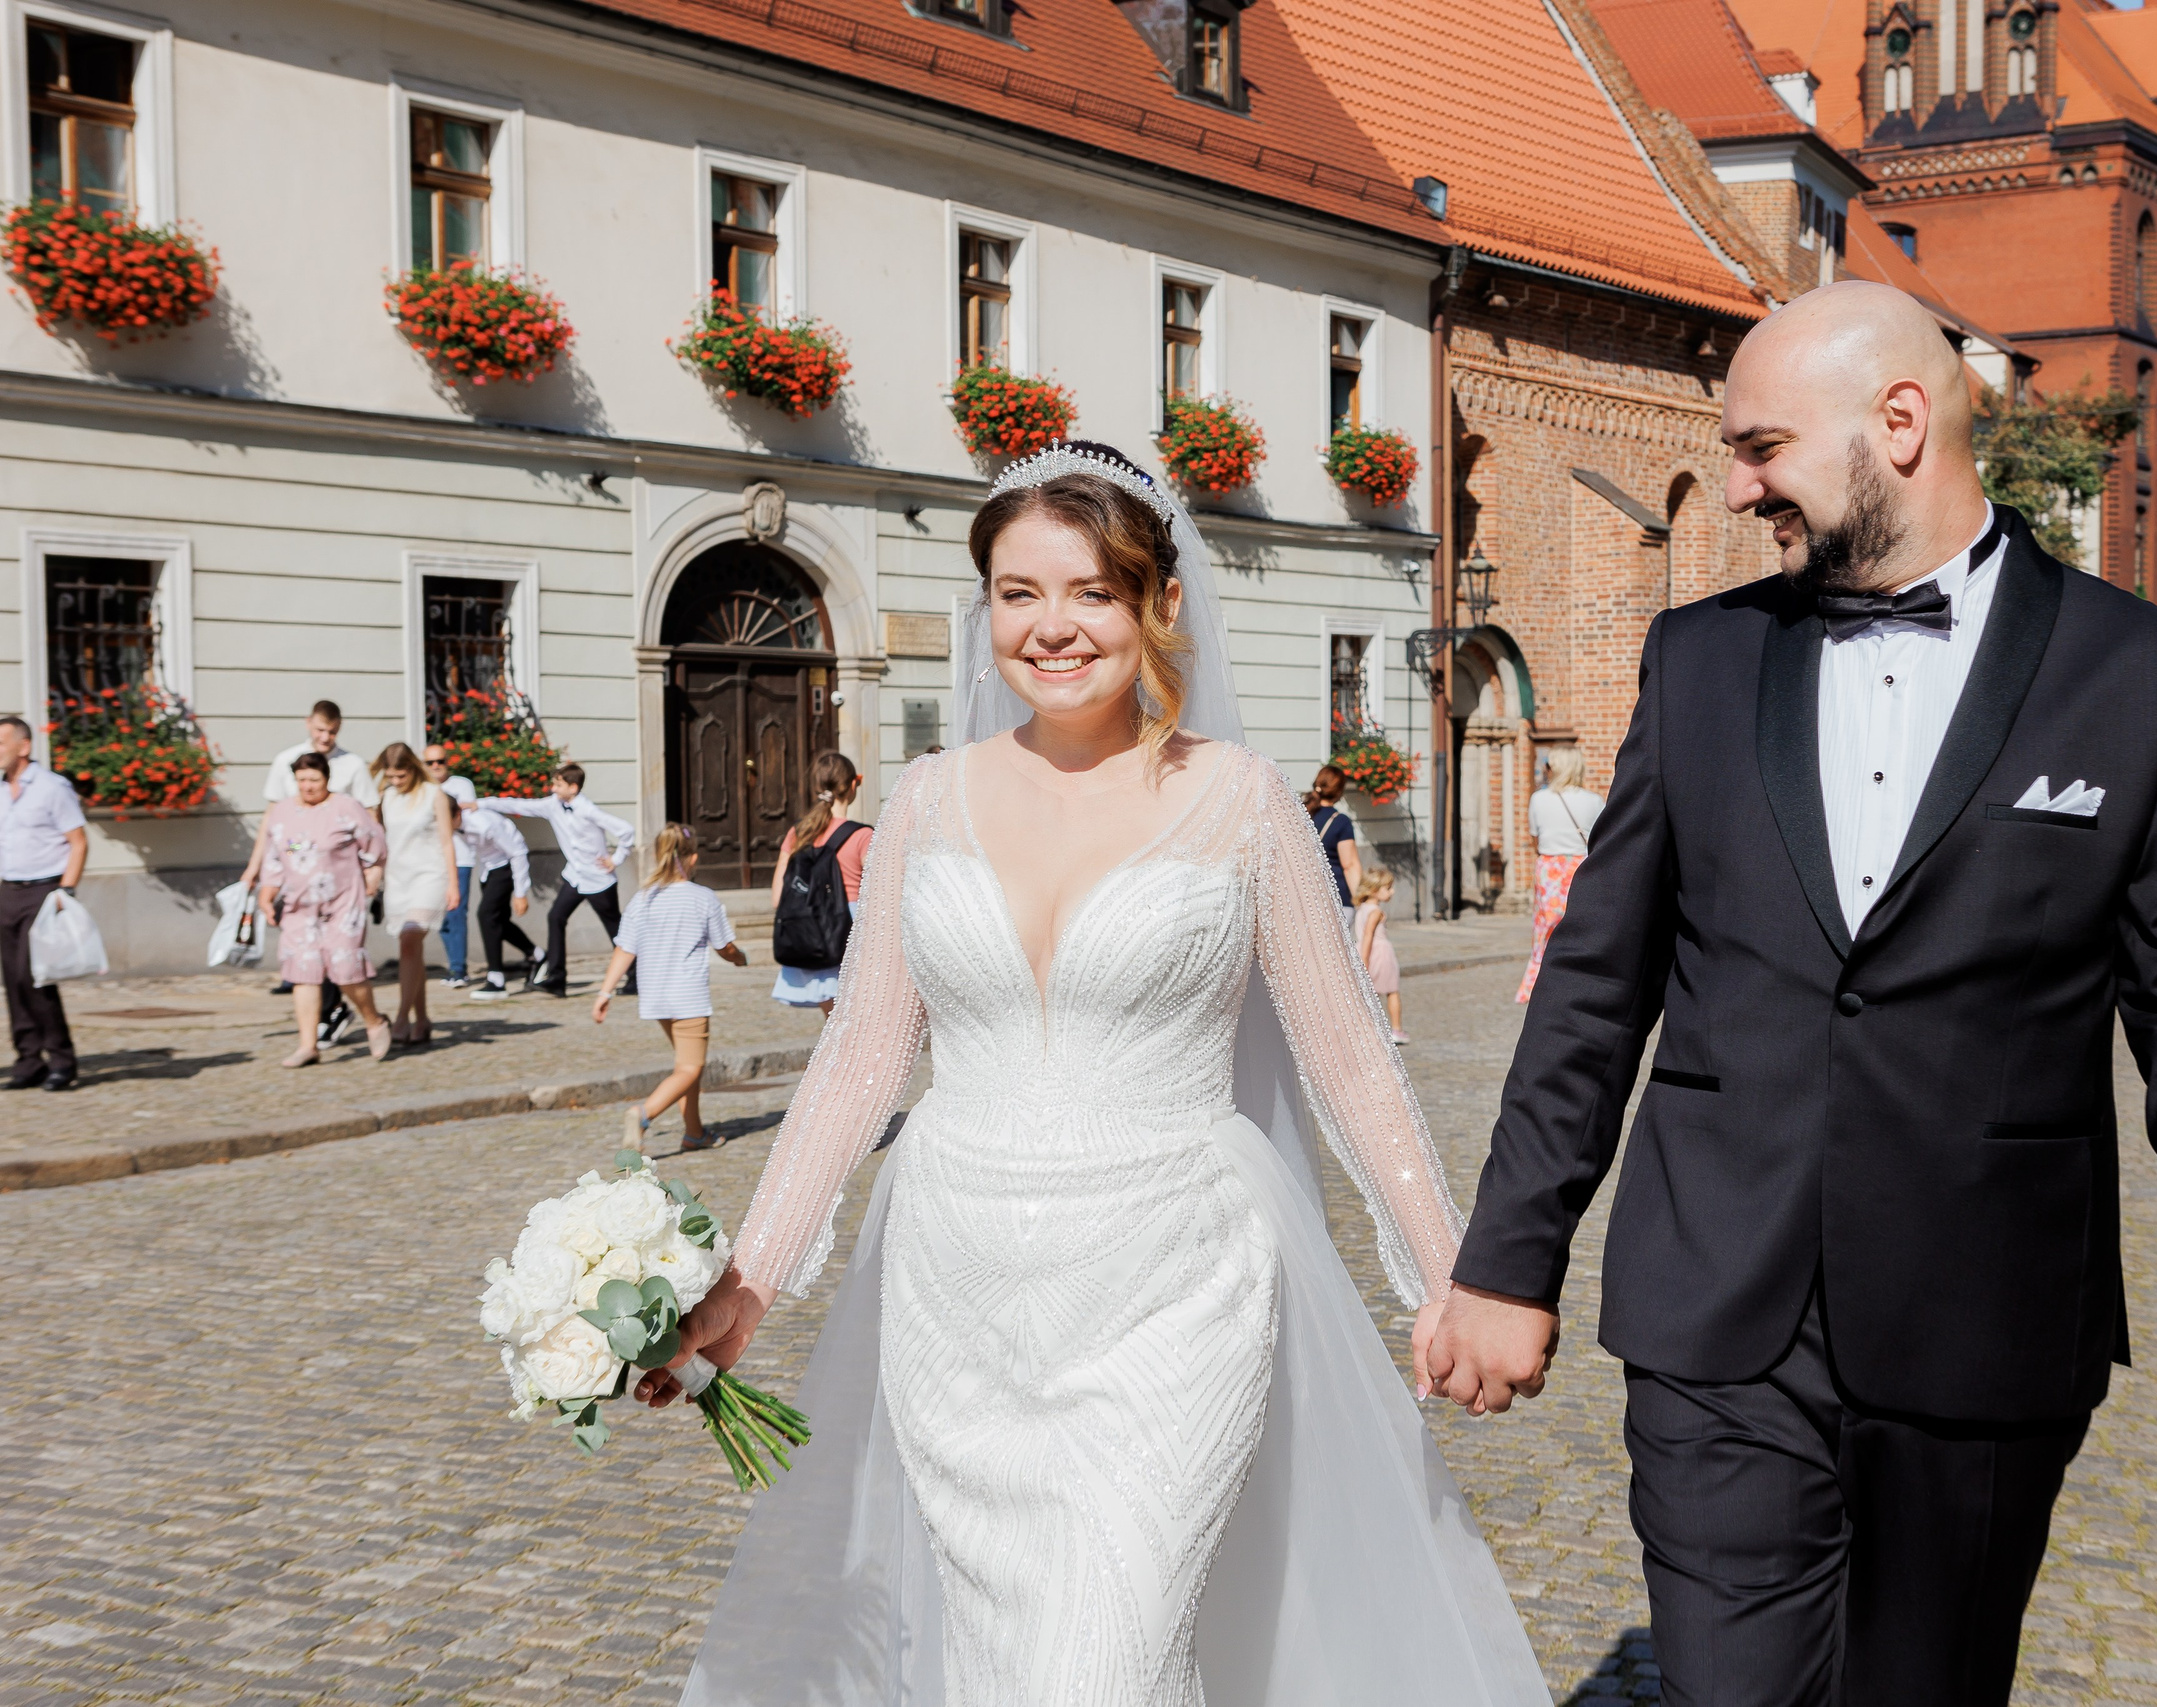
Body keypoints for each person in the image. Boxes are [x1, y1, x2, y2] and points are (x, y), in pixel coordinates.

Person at [1429, 282, 2157, 1707]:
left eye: (1763, 446)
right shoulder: (1699, 660)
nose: (1741, 486)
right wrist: (1508, 1258)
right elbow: (1596, 983)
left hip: (1988, 1314)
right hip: (1716, 1302)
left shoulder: (2143, 676)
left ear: (1900, 421)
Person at [638, 442, 1546, 1704]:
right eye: (1019, 594)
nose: (1051, 628)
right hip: (958, 1287)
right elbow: (859, 1063)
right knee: (1005, 1659)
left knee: (1108, 1655)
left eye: (1090, 593)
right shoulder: (928, 801)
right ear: (985, 612)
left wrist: (1446, 1274)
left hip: (1174, 1277)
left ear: (1157, 606)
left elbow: (1348, 1054)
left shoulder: (1239, 801)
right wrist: (749, 1281)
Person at [594, 823, 747, 1152]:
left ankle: (694, 1133)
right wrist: (739, 958)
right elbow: (725, 946)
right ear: (692, 859)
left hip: (656, 997)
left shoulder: (643, 899)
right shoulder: (702, 897)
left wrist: (604, 992)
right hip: (688, 996)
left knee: (685, 1068)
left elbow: (624, 949)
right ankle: (643, 1114)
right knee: (691, 1068)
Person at [243, 701, 378, 1042]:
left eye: (332, 731)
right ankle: (321, 1021)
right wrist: (254, 868)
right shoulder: (286, 761)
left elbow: (371, 819)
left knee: (337, 951)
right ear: (308, 724)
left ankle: (334, 1012)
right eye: (320, 730)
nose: (325, 737)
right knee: (305, 952)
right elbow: (271, 822)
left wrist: (373, 872)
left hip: (341, 879)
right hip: (299, 876)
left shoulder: (352, 765)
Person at [258, 752, 392, 1065]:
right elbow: (281, 852)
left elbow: (375, 844)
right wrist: (268, 893)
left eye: (314, 780)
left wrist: (373, 875)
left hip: (343, 901)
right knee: (303, 972)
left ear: (327, 779)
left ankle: (374, 1021)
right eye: (302, 780)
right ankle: (309, 1045)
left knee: (345, 969)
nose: (307, 786)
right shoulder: (283, 813)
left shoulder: (346, 808)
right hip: (299, 905)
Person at [480, 763, 635, 997]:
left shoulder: (588, 810)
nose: (553, 789)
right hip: (574, 876)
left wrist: (616, 859)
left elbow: (626, 831)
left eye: (558, 784)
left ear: (573, 788)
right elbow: (519, 805)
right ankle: (556, 978)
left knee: (615, 928)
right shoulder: (553, 806)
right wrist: (481, 803)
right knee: (556, 917)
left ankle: (636, 978)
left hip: (598, 880)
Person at [0, 714, 87, 1091]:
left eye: (1, 743)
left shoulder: (53, 788)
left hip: (44, 890)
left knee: (34, 976)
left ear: (24, 746)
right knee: (12, 981)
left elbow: (79, 842)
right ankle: (29, 1059)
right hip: (6, 890)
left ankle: (62, 1060)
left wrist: (66, 891)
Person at [767, 750, 870, 1017]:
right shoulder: (862, 836)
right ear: (852, 785)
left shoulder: (798, 832)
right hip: (853, 929)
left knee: (835, 1024)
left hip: (813, 929)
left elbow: (778, 898)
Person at [372, 743, 460, 1046]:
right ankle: (422, 1021)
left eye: (401, 775)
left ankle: (401, 1018)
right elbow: (379, 841)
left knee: (410, 941)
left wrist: (453, 883)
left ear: (412, 767)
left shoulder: (433, 794)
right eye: (390, 776)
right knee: (412, 951)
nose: (396, 781)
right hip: (398, 879)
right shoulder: (386, 798)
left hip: (430, 875)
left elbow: (447, 842)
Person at [1515, 746, 1604, 1002]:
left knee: (1545, 927)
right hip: (1582, 866)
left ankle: (1539, 982)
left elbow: (1535, 838)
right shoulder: (1594, 800)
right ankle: (1581, 980)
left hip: (1550, 866)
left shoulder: (1538, 799)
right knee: (1582, 925)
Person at [460, 803, 537, 998]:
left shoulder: (483, 824)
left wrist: (520, 892)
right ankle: (538, 955)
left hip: (505, 868)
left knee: (486, 915)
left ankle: (496, 980)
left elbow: (517, 852)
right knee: (498, 921)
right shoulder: (453, 825)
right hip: (488, 870)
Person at [423, 744, 478, 991]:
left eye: (440, 761)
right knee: (441, 917)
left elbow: (464, 818)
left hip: (459, 858)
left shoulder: (461, 785)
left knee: (456, 914)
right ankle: (454, 966)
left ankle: (459, 969)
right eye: (430, 762)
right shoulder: (423, 789)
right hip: (432, 861)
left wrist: (442, 817)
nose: (436, 766)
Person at [1353, 866, 1406, 1044]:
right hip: (1379, 953)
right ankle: (1396, 1029)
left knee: (1369, 993)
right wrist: (1365, 961)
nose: (1392, 891)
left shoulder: (1361, 909)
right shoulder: (1375, 912)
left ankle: (1370, 1028)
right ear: (1374, 890)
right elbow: (1368, 937)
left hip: (1365, 951)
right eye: (1388, 888)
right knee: (1392, 991)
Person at [1304, 762, 1361, 918]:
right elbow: (1349, 865)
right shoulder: (1340, 821)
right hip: (1336, 898)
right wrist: (1362, 901)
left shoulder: (1301, 815)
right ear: (1339, 791)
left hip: (1305, 897)